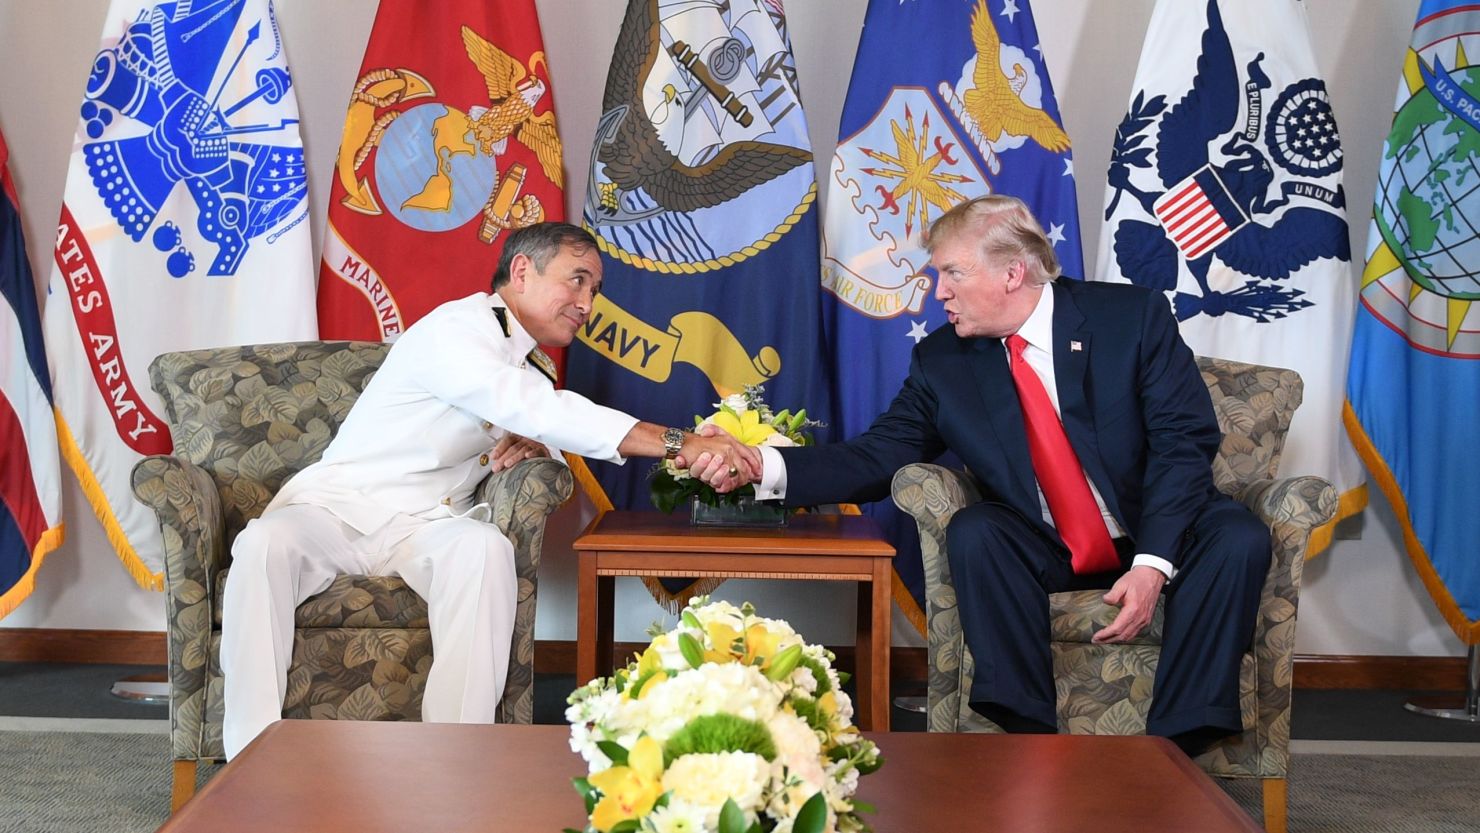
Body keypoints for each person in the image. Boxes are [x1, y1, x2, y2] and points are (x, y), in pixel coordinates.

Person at [694, 195, 1269, 753]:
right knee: (977, 531)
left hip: (1153, 526)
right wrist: (759, 464)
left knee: (1237, 536)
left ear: (1013, 273)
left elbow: (1182, 443)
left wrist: (1151, 565)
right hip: (1048, 543)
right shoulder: (943, 360)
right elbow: (875, 456)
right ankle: (1027, 738)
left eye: (952, 273)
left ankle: (1174, 747)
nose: (937, 291)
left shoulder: (1130, 318)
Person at [220, 222, 759, 759]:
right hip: (337, 509)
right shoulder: (457, 328)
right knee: (266, 541)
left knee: (484, 550)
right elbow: (526, 404)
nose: (588, 304)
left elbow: (523, 415)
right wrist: (676, 442)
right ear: (522, 271)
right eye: (577, 281)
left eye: (594, 290)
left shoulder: (526, 361)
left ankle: (454, 761)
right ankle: (250, 755)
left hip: (427, 525)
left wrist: (535, 447)